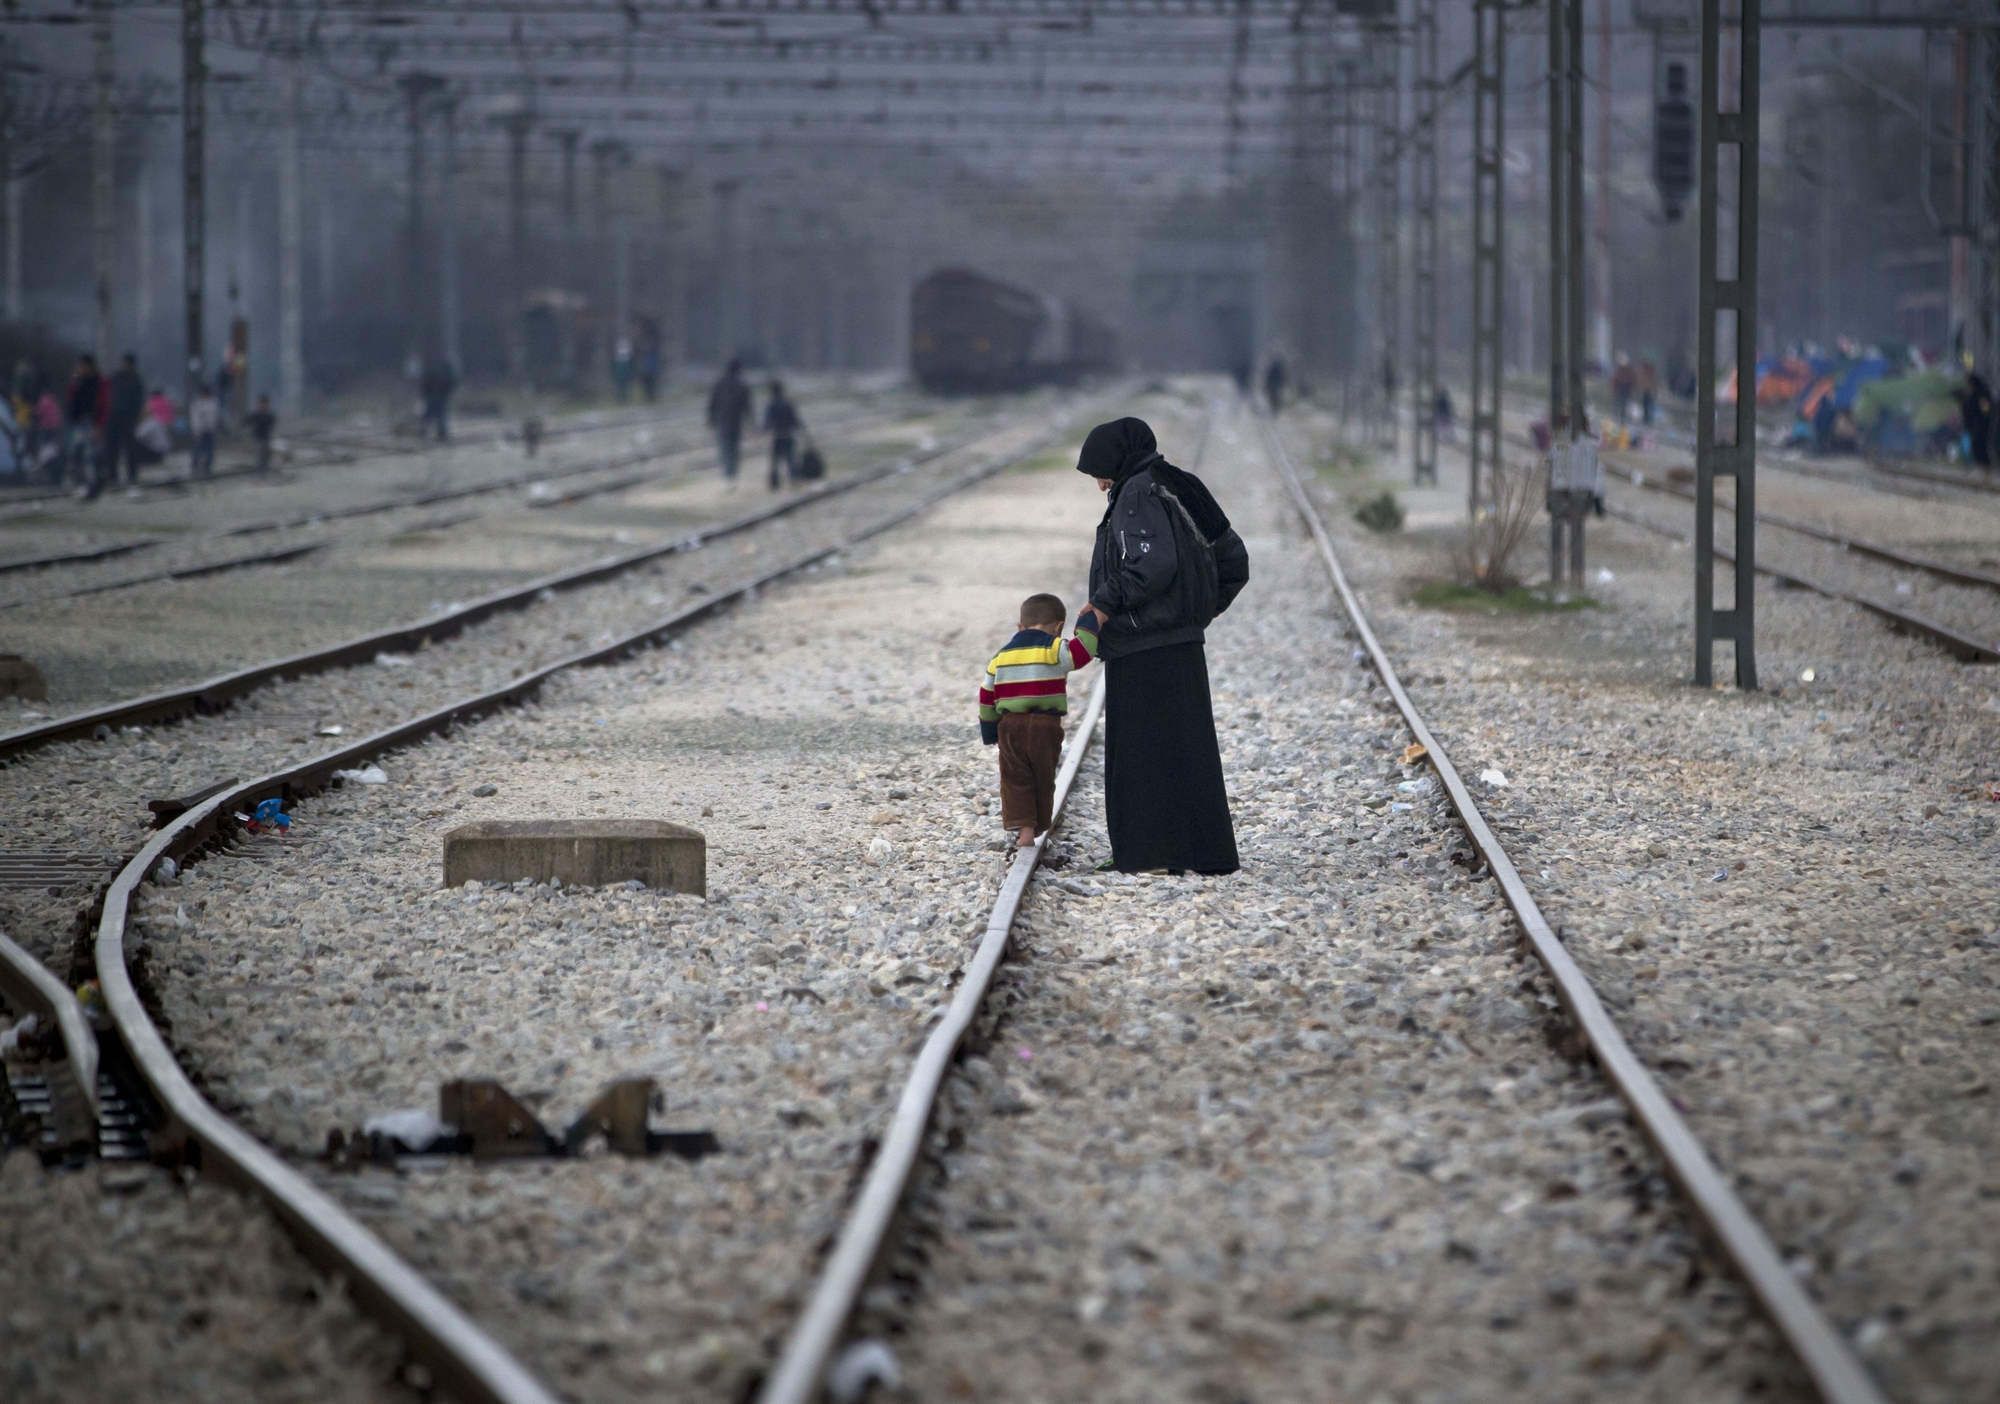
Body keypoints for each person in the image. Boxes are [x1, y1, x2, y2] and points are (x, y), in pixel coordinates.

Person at [1077, 417, 1249, 876]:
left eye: (1099, 472)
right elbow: (1234, 559)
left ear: (1118, 461)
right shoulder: (1177, 484)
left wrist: (1101, 606)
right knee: (1187, 754)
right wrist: (1192, 615)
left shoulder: (1136, 493)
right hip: (1178, 645)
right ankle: (1203, 854)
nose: (1098, 484)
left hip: (1143, 648)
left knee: (1139, 759)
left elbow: (1152, 565)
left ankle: (1147, 855)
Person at [978, 593, 1100, 847]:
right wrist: (1089, 621)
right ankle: (1039, 825)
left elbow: (986, 696)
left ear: (1019, 627)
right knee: (1043, 776)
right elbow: (1085, 650)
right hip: (1046, 726)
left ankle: (1024, 831)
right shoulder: (1056, 648)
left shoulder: (1000, 658)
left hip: (1011, 726)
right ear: (1058, 628)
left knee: (1015, 777)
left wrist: (990, 732)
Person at [706, 359, 753, 488]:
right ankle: (732, 473)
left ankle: (728, 474)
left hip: (723, 421)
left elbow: (712, 403)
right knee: (734, 447)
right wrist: (751, 423)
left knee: (725, 447)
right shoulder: (741, 385)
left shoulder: (719, 384)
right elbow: (747, 406)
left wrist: (711, 420)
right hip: (736, 421)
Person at [66, 353, 106, 493]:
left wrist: (99, 426)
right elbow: (71, 400)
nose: (80, 368)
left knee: (89, 454)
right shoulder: (78, 382)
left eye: (82, 365)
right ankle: (80, 482)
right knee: (75, 452)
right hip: (78, 422)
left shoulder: (98, 381)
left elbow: (103, 404)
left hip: (91, 421)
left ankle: (92, 484)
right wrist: (74, 383)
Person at [763, 380, 803, 491]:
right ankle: (793, 479)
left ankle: (775, 483)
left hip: (776, 436)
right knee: (790, 459)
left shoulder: (771, 405)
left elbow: (766, 423)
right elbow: (795, 420)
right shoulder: (787, 404)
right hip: (787, 435)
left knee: (775, 461)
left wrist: (766, 430)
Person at [419, 355, 457, 441]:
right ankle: (441, 433)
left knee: (429, 415)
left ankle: (424, 431)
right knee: (440, 415)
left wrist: (425, 393)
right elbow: (451, 382)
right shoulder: (445, 369)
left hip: (433, 396)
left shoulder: (430, 368)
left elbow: (425, 383)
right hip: (439, 396)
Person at [188, 382, 219, 478]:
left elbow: (215, 416)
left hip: (210, 430)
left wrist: (214, 427)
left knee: (210, 451)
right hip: (200, 431)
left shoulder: (213, 402)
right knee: (197, 450)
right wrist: (197, 430)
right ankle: (195, 469)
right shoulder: (198, 403)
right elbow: (195, 417)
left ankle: (207, 470)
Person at [247, 393, 276, 474]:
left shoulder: (269, 415)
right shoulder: (256, 415)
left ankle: (264, 470)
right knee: (260, 454)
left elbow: (272, 425)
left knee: (266, 454)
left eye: (263, 404)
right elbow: (248, 421)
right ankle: (260, 471)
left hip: (266, 437)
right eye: (260, 404)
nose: (261, 406)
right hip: (258, 437)